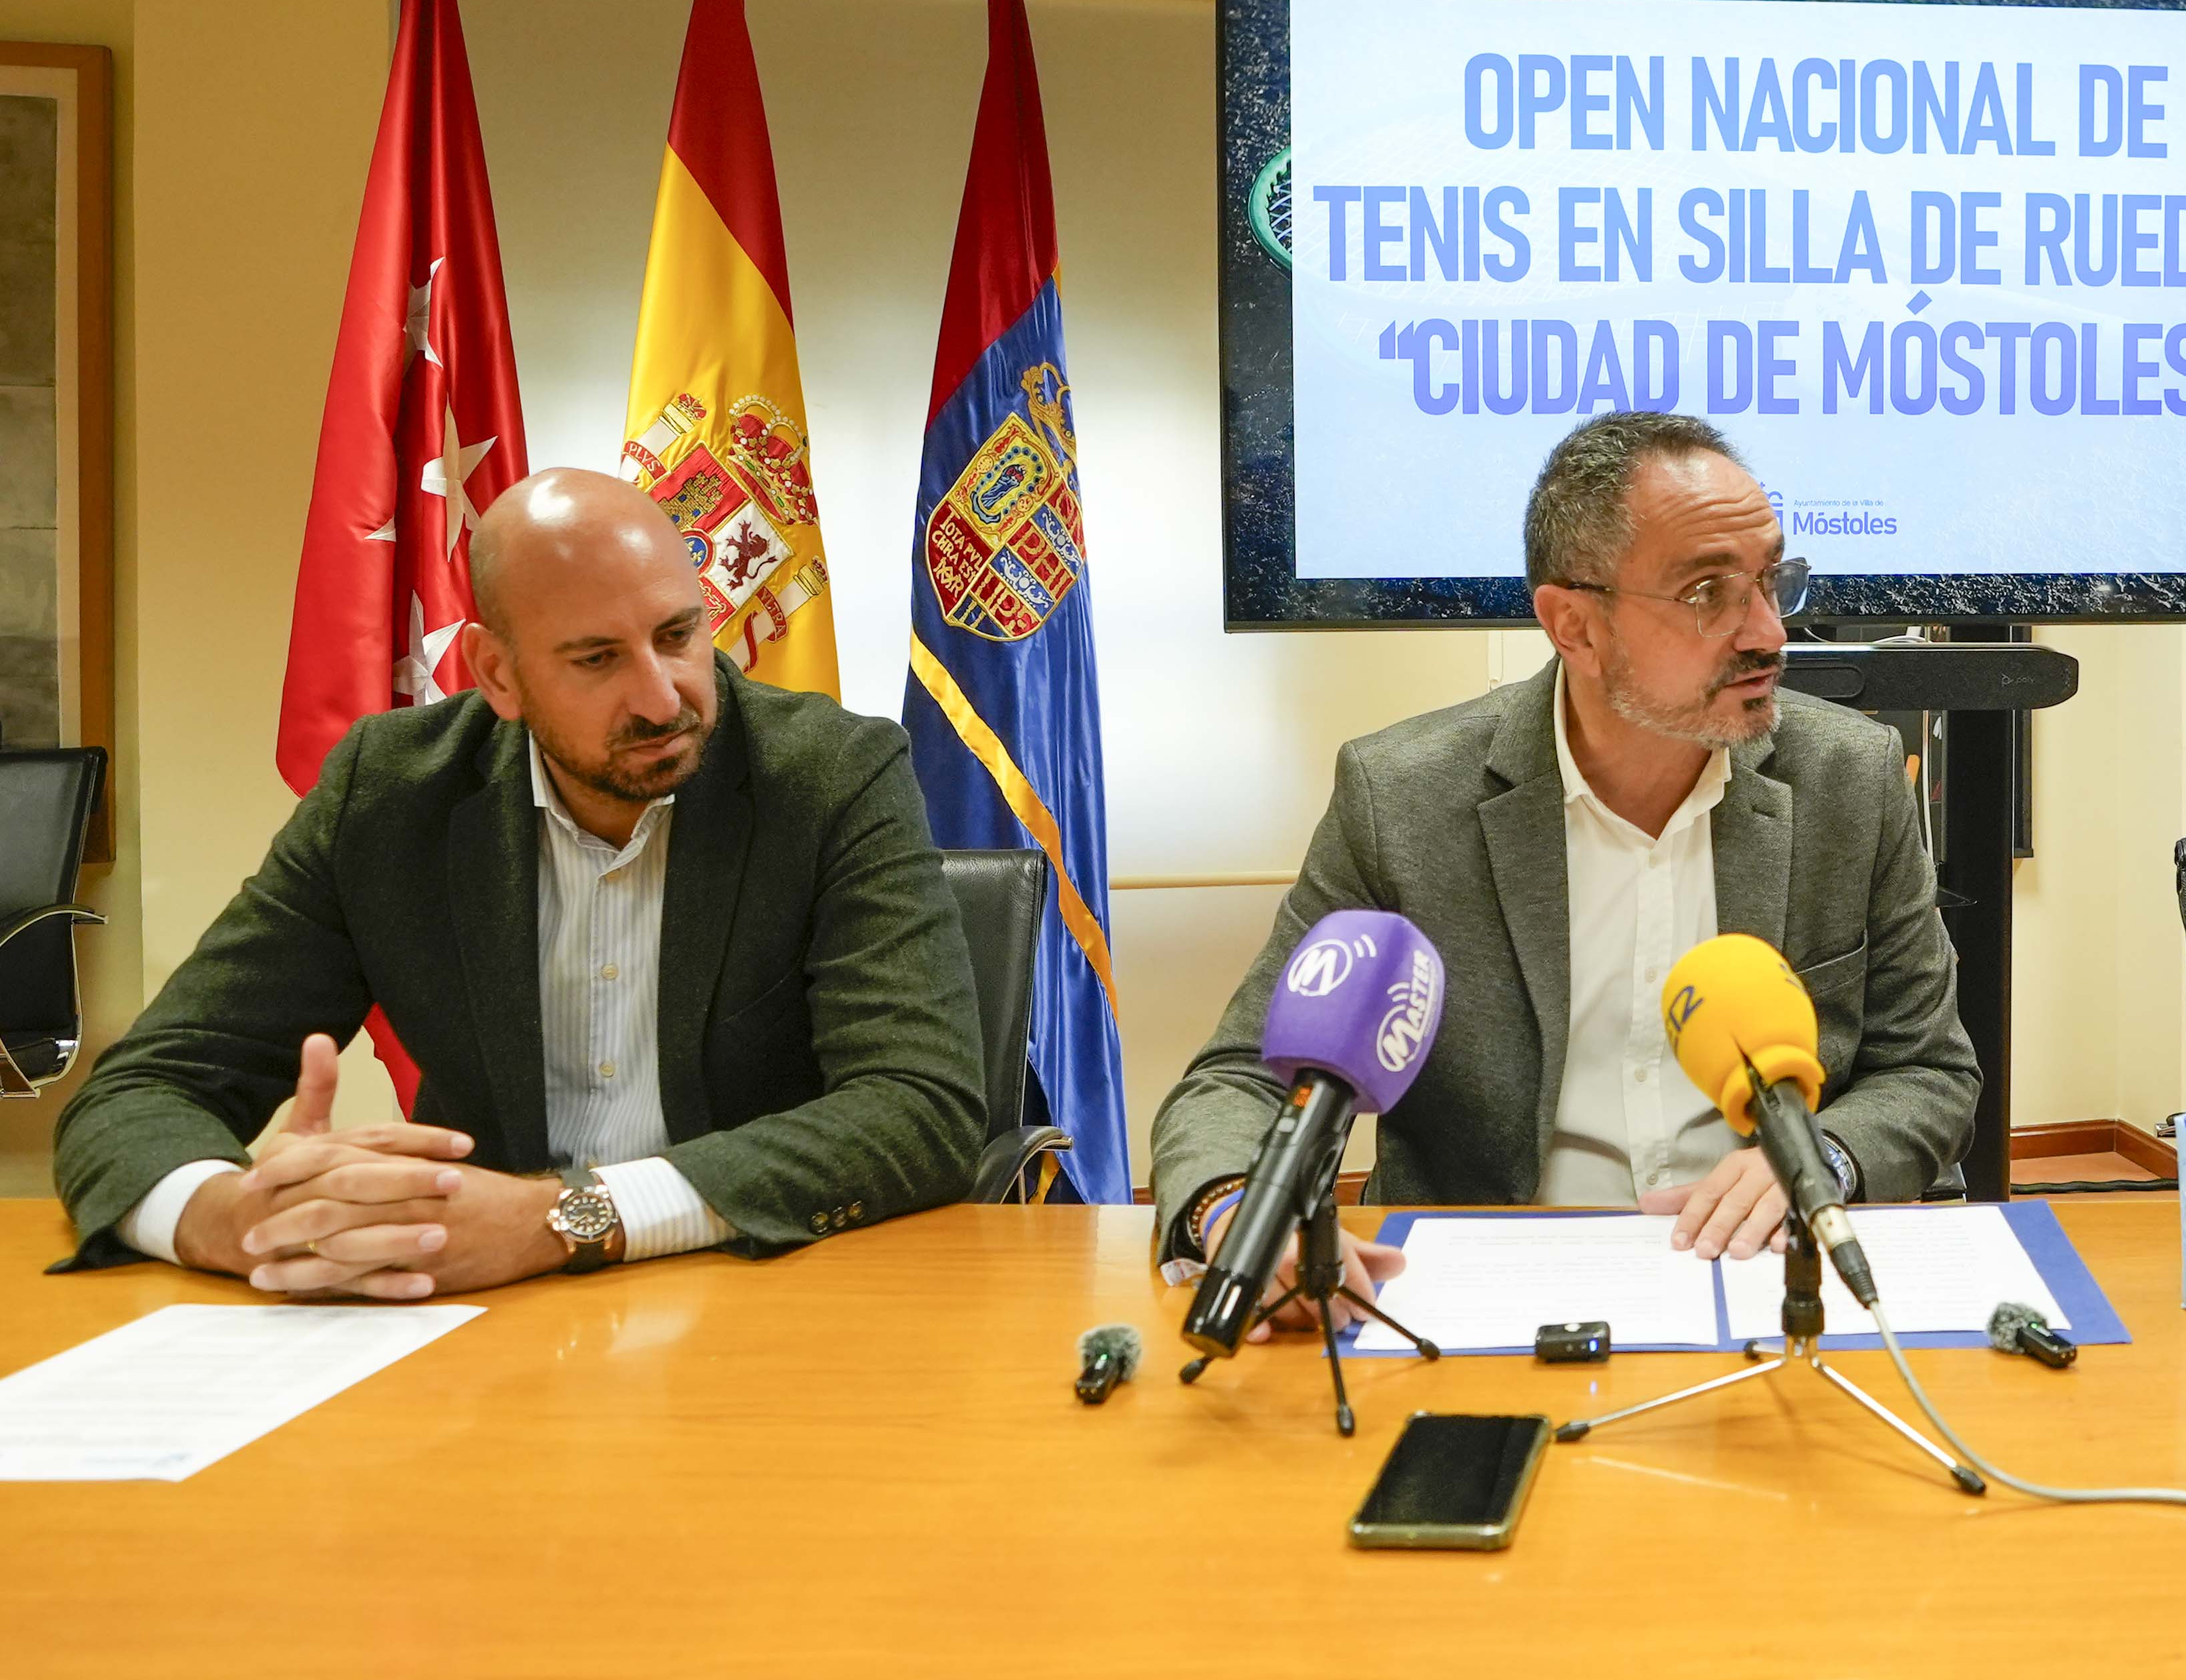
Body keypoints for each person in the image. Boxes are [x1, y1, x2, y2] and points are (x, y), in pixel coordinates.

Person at [57, 469, 988, 1292]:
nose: (662, 696)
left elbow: (919, 1107)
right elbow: (146, 1090)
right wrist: (245, 1221)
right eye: (597, 659)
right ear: (496, 675)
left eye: (677, 634)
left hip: (766, 1293)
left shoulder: (830, 777)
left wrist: (564, 1221)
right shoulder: (391, 797)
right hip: (487, 1315)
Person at [1147, 413, 1977, 1298]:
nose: (1768, 633)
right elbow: (1242, 1077)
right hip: (1487, 1285)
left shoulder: (1851, 777)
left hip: (1767, 1272)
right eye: (1708, 592)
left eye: (1772, 581)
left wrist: (1824, 1158)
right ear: (1574, 626)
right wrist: (1238, 1211)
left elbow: (1927, 1071)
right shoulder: (1402, 798)